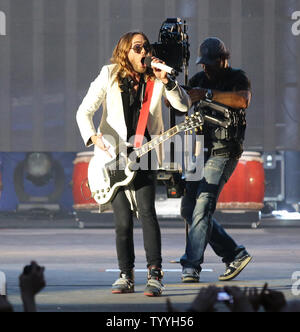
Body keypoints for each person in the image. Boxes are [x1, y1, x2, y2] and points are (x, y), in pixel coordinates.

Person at [76, 31, 191, 297]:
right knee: (123, 222)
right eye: (137, 47)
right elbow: (84, 110)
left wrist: (169, 82)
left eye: (146, 47)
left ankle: (154, 275)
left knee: (147, 214)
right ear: (125, 51)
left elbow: (184, 106)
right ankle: (125, 275)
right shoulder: (109, 74)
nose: (143, 52)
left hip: (145, 153)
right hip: (113, 158)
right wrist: (93, 136)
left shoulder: (155, 79)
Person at [180, 37, 252, 283]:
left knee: (203, 206)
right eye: (204, 63)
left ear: (224, 59)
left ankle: (191, 265)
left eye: (211, 63)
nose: (206, 68)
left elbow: (243, 100)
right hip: (200, 151)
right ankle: (235, 254)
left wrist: (207, 94)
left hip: (225, 150)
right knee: (189, 209)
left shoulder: (236, 77)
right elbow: (181, 104)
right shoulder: (197, 80)